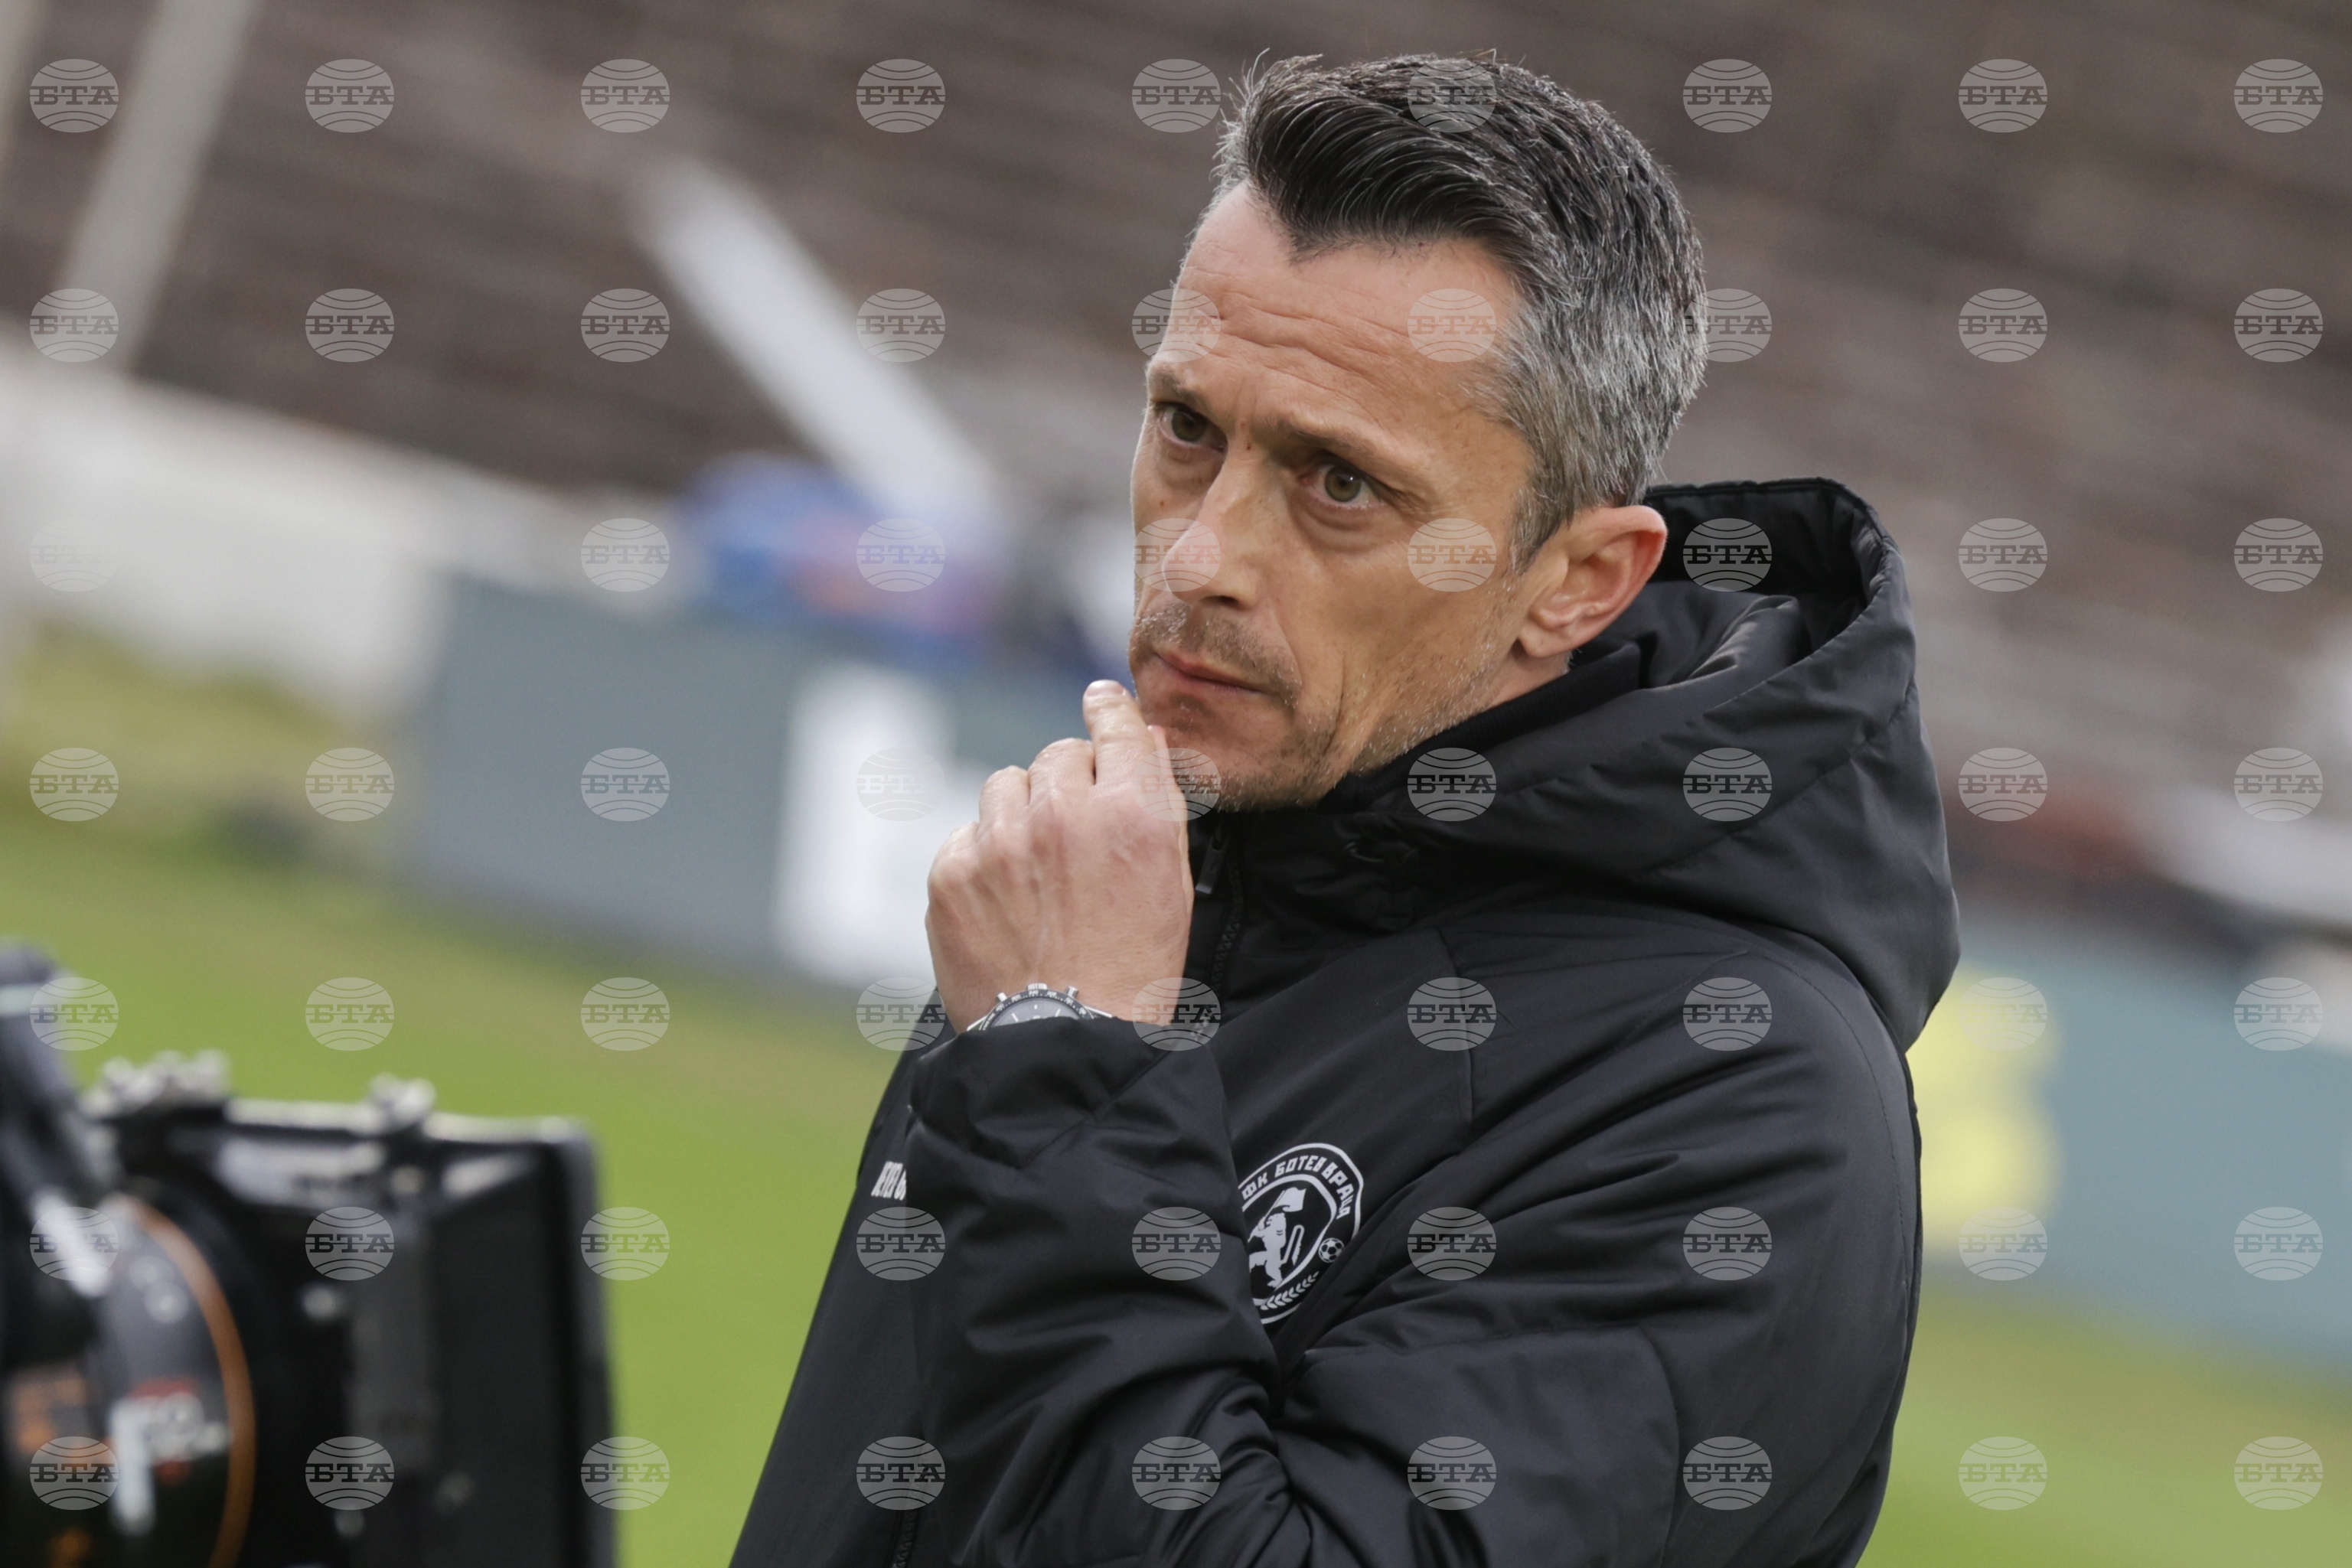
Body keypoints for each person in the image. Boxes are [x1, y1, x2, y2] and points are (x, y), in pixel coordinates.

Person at [733, 52, 1957, 1568]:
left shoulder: (1735, 1096)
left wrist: (1065, 1068)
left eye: (1339, 486)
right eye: (1188, 428)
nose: (1199, 559)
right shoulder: (1140, 885)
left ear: (1578, 580)